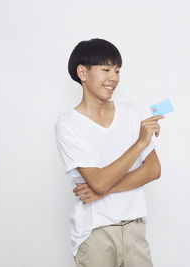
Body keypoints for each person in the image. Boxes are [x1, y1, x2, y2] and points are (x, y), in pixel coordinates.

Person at [54, 38, 164, 267]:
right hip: (95, 234)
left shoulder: (131, 112)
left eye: (117, 70)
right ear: (82, 73)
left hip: (134, 229)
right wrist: (139, 145)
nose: (113, 77)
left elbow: (153, 170)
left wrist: (102, 191)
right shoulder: (68, 125)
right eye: (106, 69)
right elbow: (99, 182)